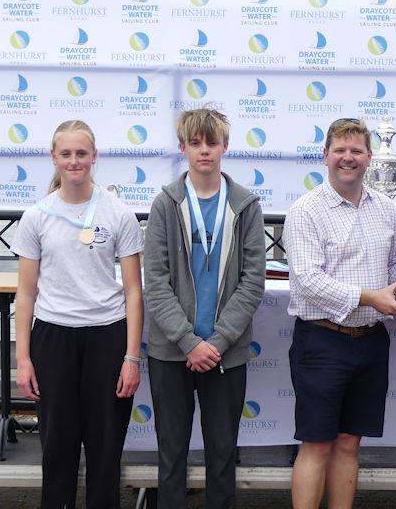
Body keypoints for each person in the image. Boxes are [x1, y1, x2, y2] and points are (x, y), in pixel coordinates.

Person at [13, 120, 144, 509]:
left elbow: (134, 291)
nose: (74, 161)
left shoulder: (117, 211)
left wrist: (131, 357)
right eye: (66, 154)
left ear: (94, 157)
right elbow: (26, 292)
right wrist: (23, 359)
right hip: (53, 338)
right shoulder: (36, 216)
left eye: (81, 153)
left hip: (107, 336)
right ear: (53, 158)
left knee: (106, 451)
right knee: (57, 448)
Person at [283, 117, 396, 509]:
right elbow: (307, 280)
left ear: (370, 157)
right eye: (340, 150)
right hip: (322, 341)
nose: (348, 158)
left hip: (370, 342)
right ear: (325, 156)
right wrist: (372, 297)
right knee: (317, 445)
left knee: (349, 443)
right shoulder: (305, 211)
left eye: (356, 150)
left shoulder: (386, 209)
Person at [144, 108, 266, 509]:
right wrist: (187, 341)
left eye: (212, 143)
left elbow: (252, 282)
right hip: (171, 352)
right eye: (195, 143)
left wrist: (216, 341)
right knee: (171, 457)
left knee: (221, 458)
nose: (204, 151)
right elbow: (156, 282)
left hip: (224, 354)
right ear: (183, 148)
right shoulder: (165, 204)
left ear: (225, 147)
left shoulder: (246, 205)